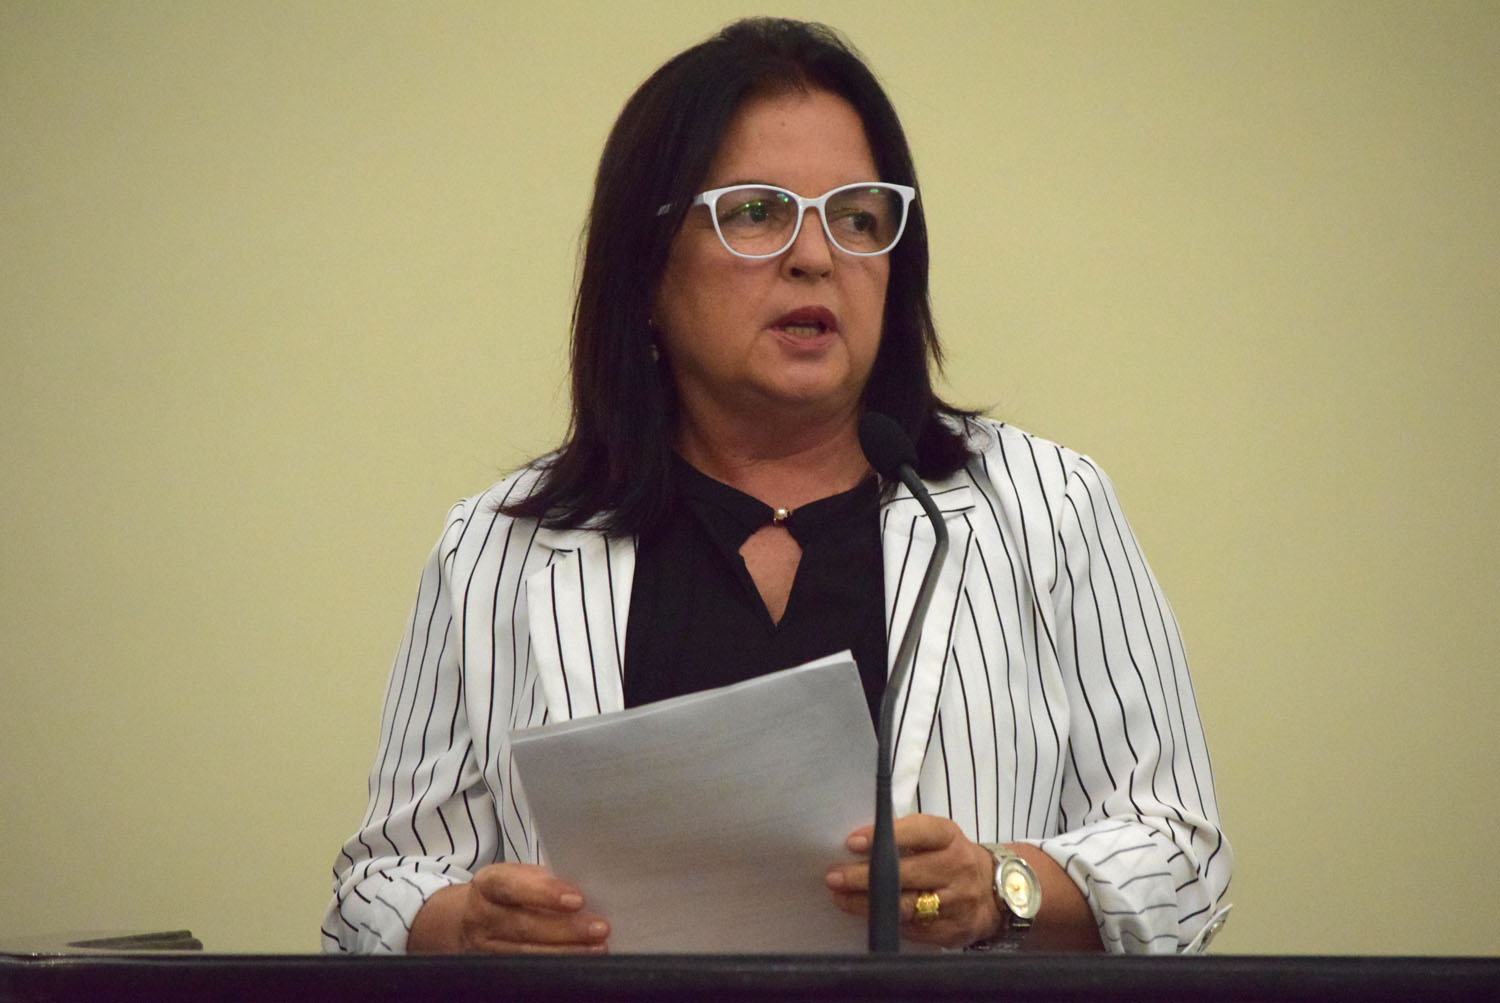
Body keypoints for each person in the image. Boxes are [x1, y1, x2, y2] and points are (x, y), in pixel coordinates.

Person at [322, 17, 1231, 956]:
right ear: (646, 266)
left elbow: (1183, 856)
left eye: (857, 217)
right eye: (756, 212)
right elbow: (374, 889)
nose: (815, 255)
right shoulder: (497, 549)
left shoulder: (1048, 508)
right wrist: (465, 925)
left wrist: (1004, 885)